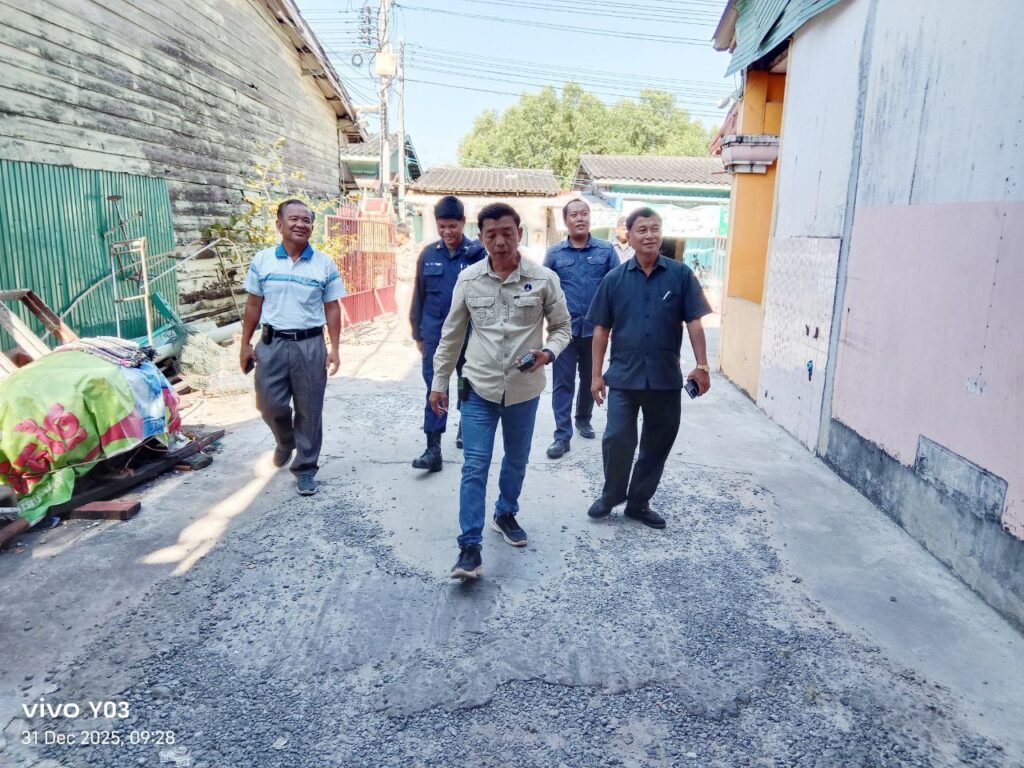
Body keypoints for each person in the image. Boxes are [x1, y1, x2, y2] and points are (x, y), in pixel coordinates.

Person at [429, 202, 571, 580]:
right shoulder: (469, 279)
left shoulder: (543, 279)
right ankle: (469, 548)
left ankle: (506, 512)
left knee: (516, 459)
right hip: (479, 387)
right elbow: (451, 336)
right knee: (475, 465)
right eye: (491, 235)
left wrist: (547, 353)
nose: (500, 241)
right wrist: (439, 383)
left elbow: (563, 328)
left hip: (524, 390)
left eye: (507, 233)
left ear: (519, 233)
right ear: (480, 238)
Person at [586, 207, 712, 528]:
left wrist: (702, 365)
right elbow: (600, 329)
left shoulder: (680, 275)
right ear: (628, 236)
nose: (649, 235)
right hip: (624, 377)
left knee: (657, 443)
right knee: (617, 438)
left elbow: (694, 322)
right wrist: (596, 376)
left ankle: (638, 503)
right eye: (642, 230)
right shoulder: (614, 279)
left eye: (655, 229)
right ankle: (612, 495)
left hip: (664, 378)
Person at [239, 199, 344, 496]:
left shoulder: (324, 264)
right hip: (271, 343)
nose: (300, 224)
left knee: (310, 409)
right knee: (268, 404)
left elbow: (332, 308)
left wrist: (335, 348)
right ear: (279, 224)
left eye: (306, 220)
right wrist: (244, 344)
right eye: (294, 219)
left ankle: (306, 468)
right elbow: (253, 304)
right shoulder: (263, 261)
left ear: (312, 227)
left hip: (310, 345)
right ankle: (285, 440)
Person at [409, 196, 485, 472]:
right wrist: (418, 334)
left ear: (464, 222)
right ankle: (433, 449)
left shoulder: (477, 255)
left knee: (466, 383)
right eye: (442, 226)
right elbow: (418, 296)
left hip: (469, 337)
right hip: (435, 337)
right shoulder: (428, 255)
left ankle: (465, 422)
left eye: (452, 226)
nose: (447, 232)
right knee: (435, 388)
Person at [542, 199, 618, 459]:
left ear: (590, 218)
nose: (580, 218)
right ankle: (562, 436)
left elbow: (617, 288)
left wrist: (615, 323)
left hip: (595, 331)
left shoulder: (606, 251)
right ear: (566, 221)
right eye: (574, 215)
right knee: (562, 383)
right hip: (564, 331)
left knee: (589, 378)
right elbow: (544, 289)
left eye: (584, 214)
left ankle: (583, 418)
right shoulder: (554, 254)